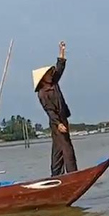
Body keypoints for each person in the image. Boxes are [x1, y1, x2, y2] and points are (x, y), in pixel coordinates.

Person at [33, 41, 78, 177]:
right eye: (48, 73)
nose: (51, 74)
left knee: (58, 148)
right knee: (66, 147)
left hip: (62, 118)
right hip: (56, 121)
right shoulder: (43, 93)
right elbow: (49, 111)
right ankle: (73, 174)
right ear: (43, 78)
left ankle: (56, 174)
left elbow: (60, 68)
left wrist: (62, 51)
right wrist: (58, 124)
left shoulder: (53, 83)